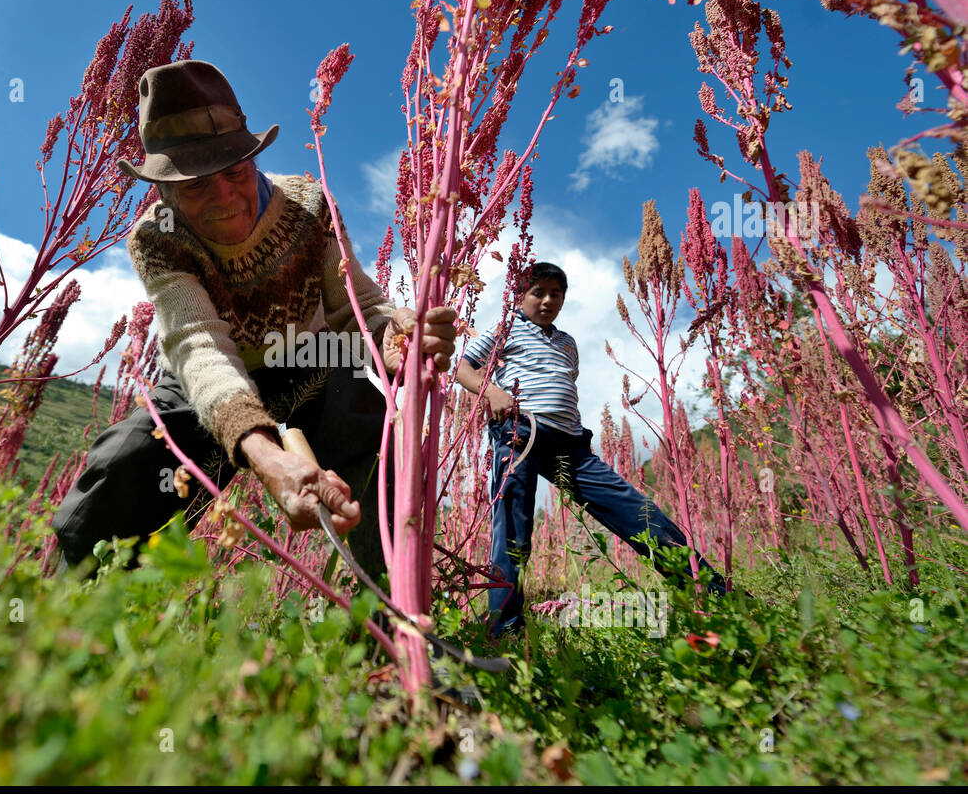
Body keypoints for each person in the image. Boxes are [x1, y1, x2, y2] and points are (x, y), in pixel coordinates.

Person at [51, 60, 457, 575]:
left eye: (234, 173)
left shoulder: (309, 205)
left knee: (379, 440)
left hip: (310, 362)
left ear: (253, 161)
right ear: (165, 190)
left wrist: (393, 339)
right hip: (207, 379)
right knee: (124, 464)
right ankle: (67, 621)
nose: (225, 199)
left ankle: (398, 626)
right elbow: (199, 343)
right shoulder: (157, 237)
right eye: (197, 186)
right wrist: (263, 453)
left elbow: (356, 308)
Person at [454, 261, 727, 638]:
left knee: (636, 511)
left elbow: (567, 382)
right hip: (520, 432)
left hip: (570, 443)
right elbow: (464, 368)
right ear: (522, 296)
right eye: (538, 293)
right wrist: (493, 392)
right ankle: (505, 629)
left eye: (556, 294)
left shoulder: (567, 343)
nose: (547, 300)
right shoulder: (505, 327)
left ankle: (713, 594)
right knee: (513, 532)